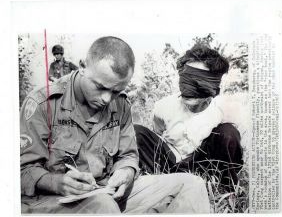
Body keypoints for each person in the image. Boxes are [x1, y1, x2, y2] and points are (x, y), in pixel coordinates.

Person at [20, 37, 210, 214]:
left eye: (116, 91)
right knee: (103, 206)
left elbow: (128, 155)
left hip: (106, 193)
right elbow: (21, 170)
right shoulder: (42, 103)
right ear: (83, 66)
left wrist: (125, 171)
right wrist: (56, 182)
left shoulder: (120, 104)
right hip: (52, 200)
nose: (106, 99)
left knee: (191, 185)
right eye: (100, 87)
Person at [135, 44, 244, 188]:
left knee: (228, 133)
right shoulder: (163, 106)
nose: (188, 89)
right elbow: (157, 136)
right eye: (186, 79)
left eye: (197, 82)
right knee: (137, 132)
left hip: (203, 166)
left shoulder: (223, 111)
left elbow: (232, 151)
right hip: (170, 164)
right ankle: (159, 184)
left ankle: (225, 188)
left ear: (213, 87)